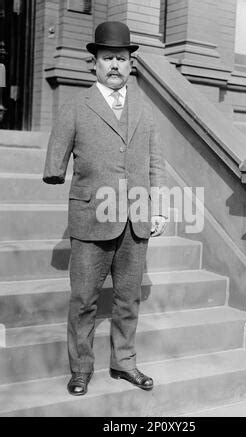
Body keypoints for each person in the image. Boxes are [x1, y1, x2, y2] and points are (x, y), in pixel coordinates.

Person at [43, 21, 167, 396]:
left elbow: (155, 164)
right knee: (84, 299)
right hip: (91, 219)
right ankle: (80, 368)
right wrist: (57, 173)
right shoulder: (75, 108)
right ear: (94, 63)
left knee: (128, 298)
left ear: (131, 65)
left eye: (122, 58)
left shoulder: (145, 111)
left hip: (135, 220)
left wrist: (158, 209)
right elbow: (55, 165)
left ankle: (124, 362)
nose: (115, 64)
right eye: (108, 57)